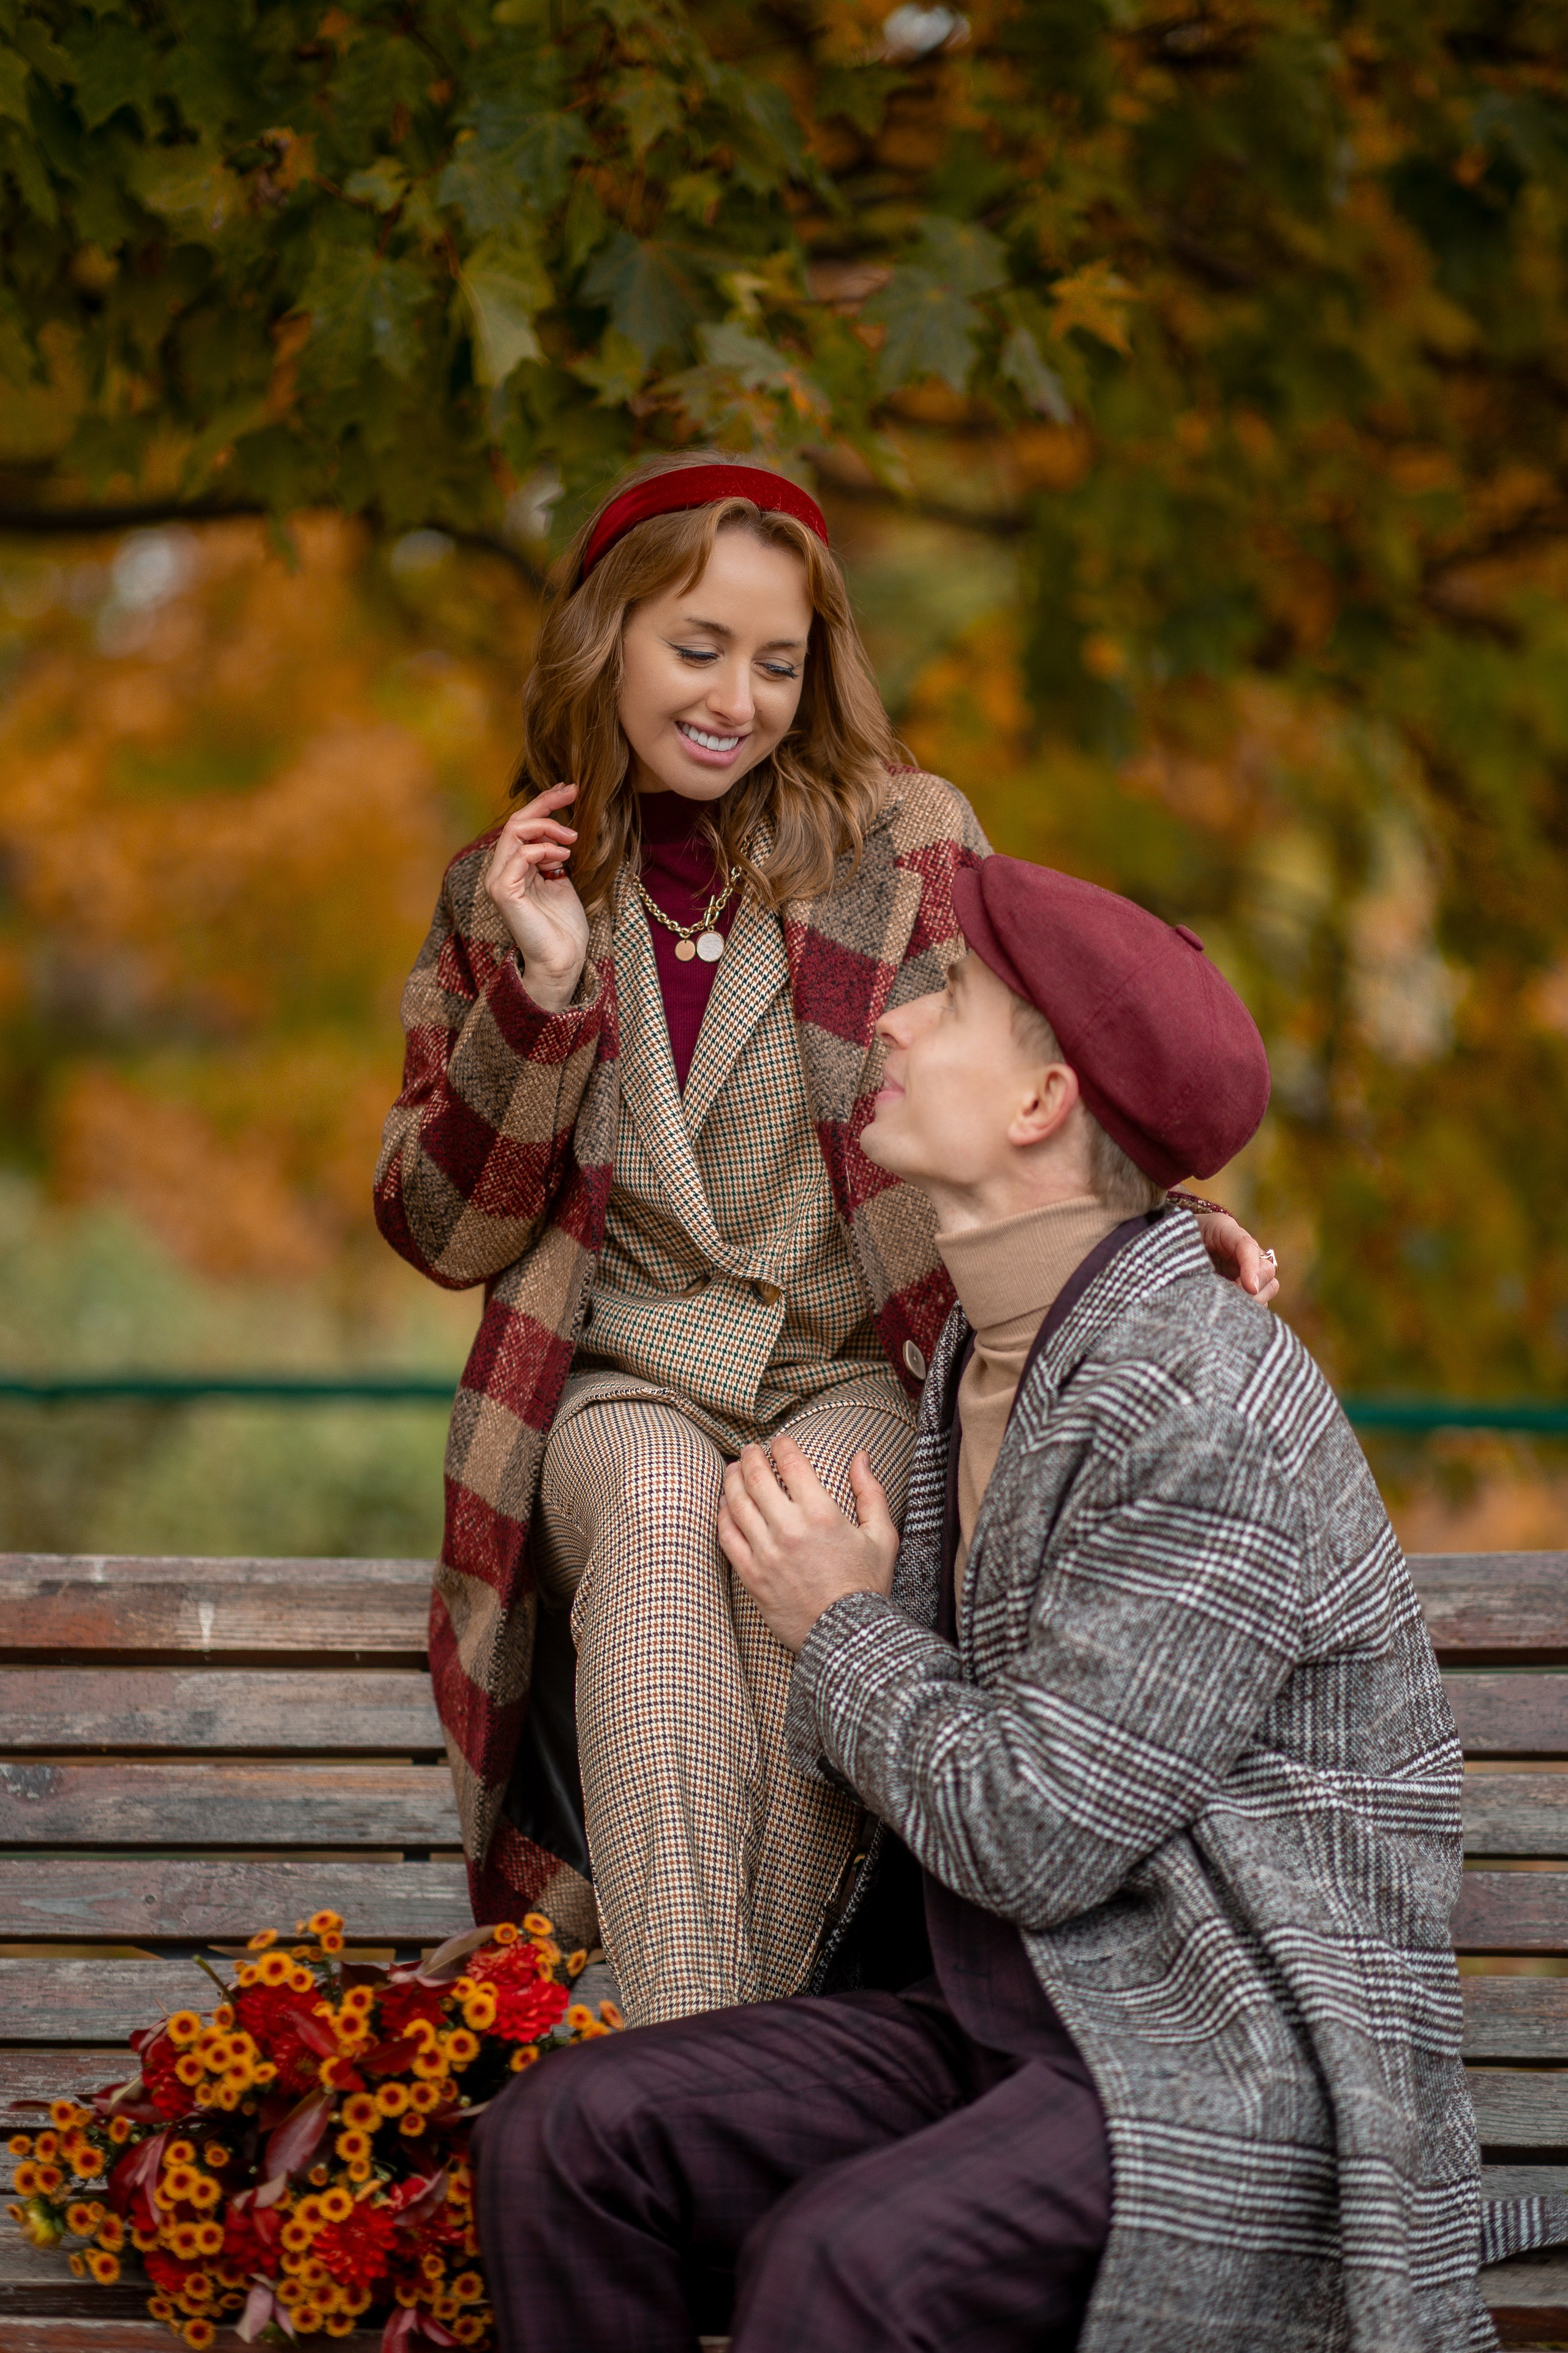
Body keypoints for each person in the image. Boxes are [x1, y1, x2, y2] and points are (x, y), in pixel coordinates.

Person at [471, 855, 1547, 2353]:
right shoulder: (992, 1353)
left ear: (1040, 1106)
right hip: (996, 2018)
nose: (891, 1024)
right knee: (567, 2137)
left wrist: (838, 1625)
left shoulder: (1196, 1393)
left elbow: (1038, 1834)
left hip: (1210, 2051)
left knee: (842, 2267)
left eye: (949, 994)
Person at [375, 451, 1276, 2026]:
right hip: (618, 1385)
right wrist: (542, 993)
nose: (736, 697)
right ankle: (717, 2110)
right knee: (660, 1524)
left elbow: (1013, 1075)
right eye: (697, 648)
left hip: (845, 1361)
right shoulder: (498, 890)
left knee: (809, 1558)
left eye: (777, 662)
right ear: (607, 644)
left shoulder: (900, 840)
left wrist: (1158, 1235)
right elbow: (447, 1231)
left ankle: (679, 2101)